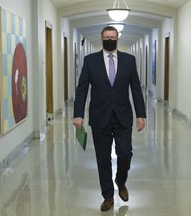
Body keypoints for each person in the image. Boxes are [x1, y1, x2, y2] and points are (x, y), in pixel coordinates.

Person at [73, 26, 146, 211]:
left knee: (125, 153)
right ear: (101, 38)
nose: (110, 40)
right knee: (103, 159)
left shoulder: (129, 60)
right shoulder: (90, 61)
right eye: (106, 37)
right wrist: (78, 115)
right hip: (99, 117)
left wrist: (141, 114)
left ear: (118, 38)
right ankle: (108, 196)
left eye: (113, 37)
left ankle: (120, 181)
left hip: (122, 116)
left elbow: (136, 88)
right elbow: (82, 88)